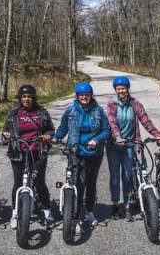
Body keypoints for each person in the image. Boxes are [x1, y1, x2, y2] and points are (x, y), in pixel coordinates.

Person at [54, 81, 110, 234]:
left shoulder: (98, 111)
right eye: (81, 95)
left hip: (94, 153)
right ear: (77, 96)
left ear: (91, 95)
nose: (84, 97)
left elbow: (106, 131)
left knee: (91, 183)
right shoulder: (70, 110)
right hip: (75, 151)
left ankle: (89, 212)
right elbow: (63, 128)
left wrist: (96, 140)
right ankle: (76, 216)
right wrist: (56, 137)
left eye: (86, 94)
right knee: (78, 183)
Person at [106, 75, 160, 221]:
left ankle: (128, 205)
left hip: (130, 144)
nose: (121, 91)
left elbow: (145, 120)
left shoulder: (135, 103)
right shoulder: (112, 104)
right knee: (114, 178)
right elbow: (112, 122)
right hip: (113, 145)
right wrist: (118, 137)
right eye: (118, 89)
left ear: (127, 89)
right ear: (116, 90)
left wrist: (156, 134)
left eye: (123, 88)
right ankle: (114, 203)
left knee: (128, 176)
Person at [2, 84, 55, 229]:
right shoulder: (13, 113)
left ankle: (46, 209)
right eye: (24, 96)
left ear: (34, 98)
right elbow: (5, 132)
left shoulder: (42, 112)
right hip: (18, 152)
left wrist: (47, 135)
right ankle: (15, 212)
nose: (26, 99)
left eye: (29, 97)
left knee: (39, 181)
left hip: (38, 151)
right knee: (18, 183)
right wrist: (6, 136)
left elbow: (50, 129)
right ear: (20, 98)